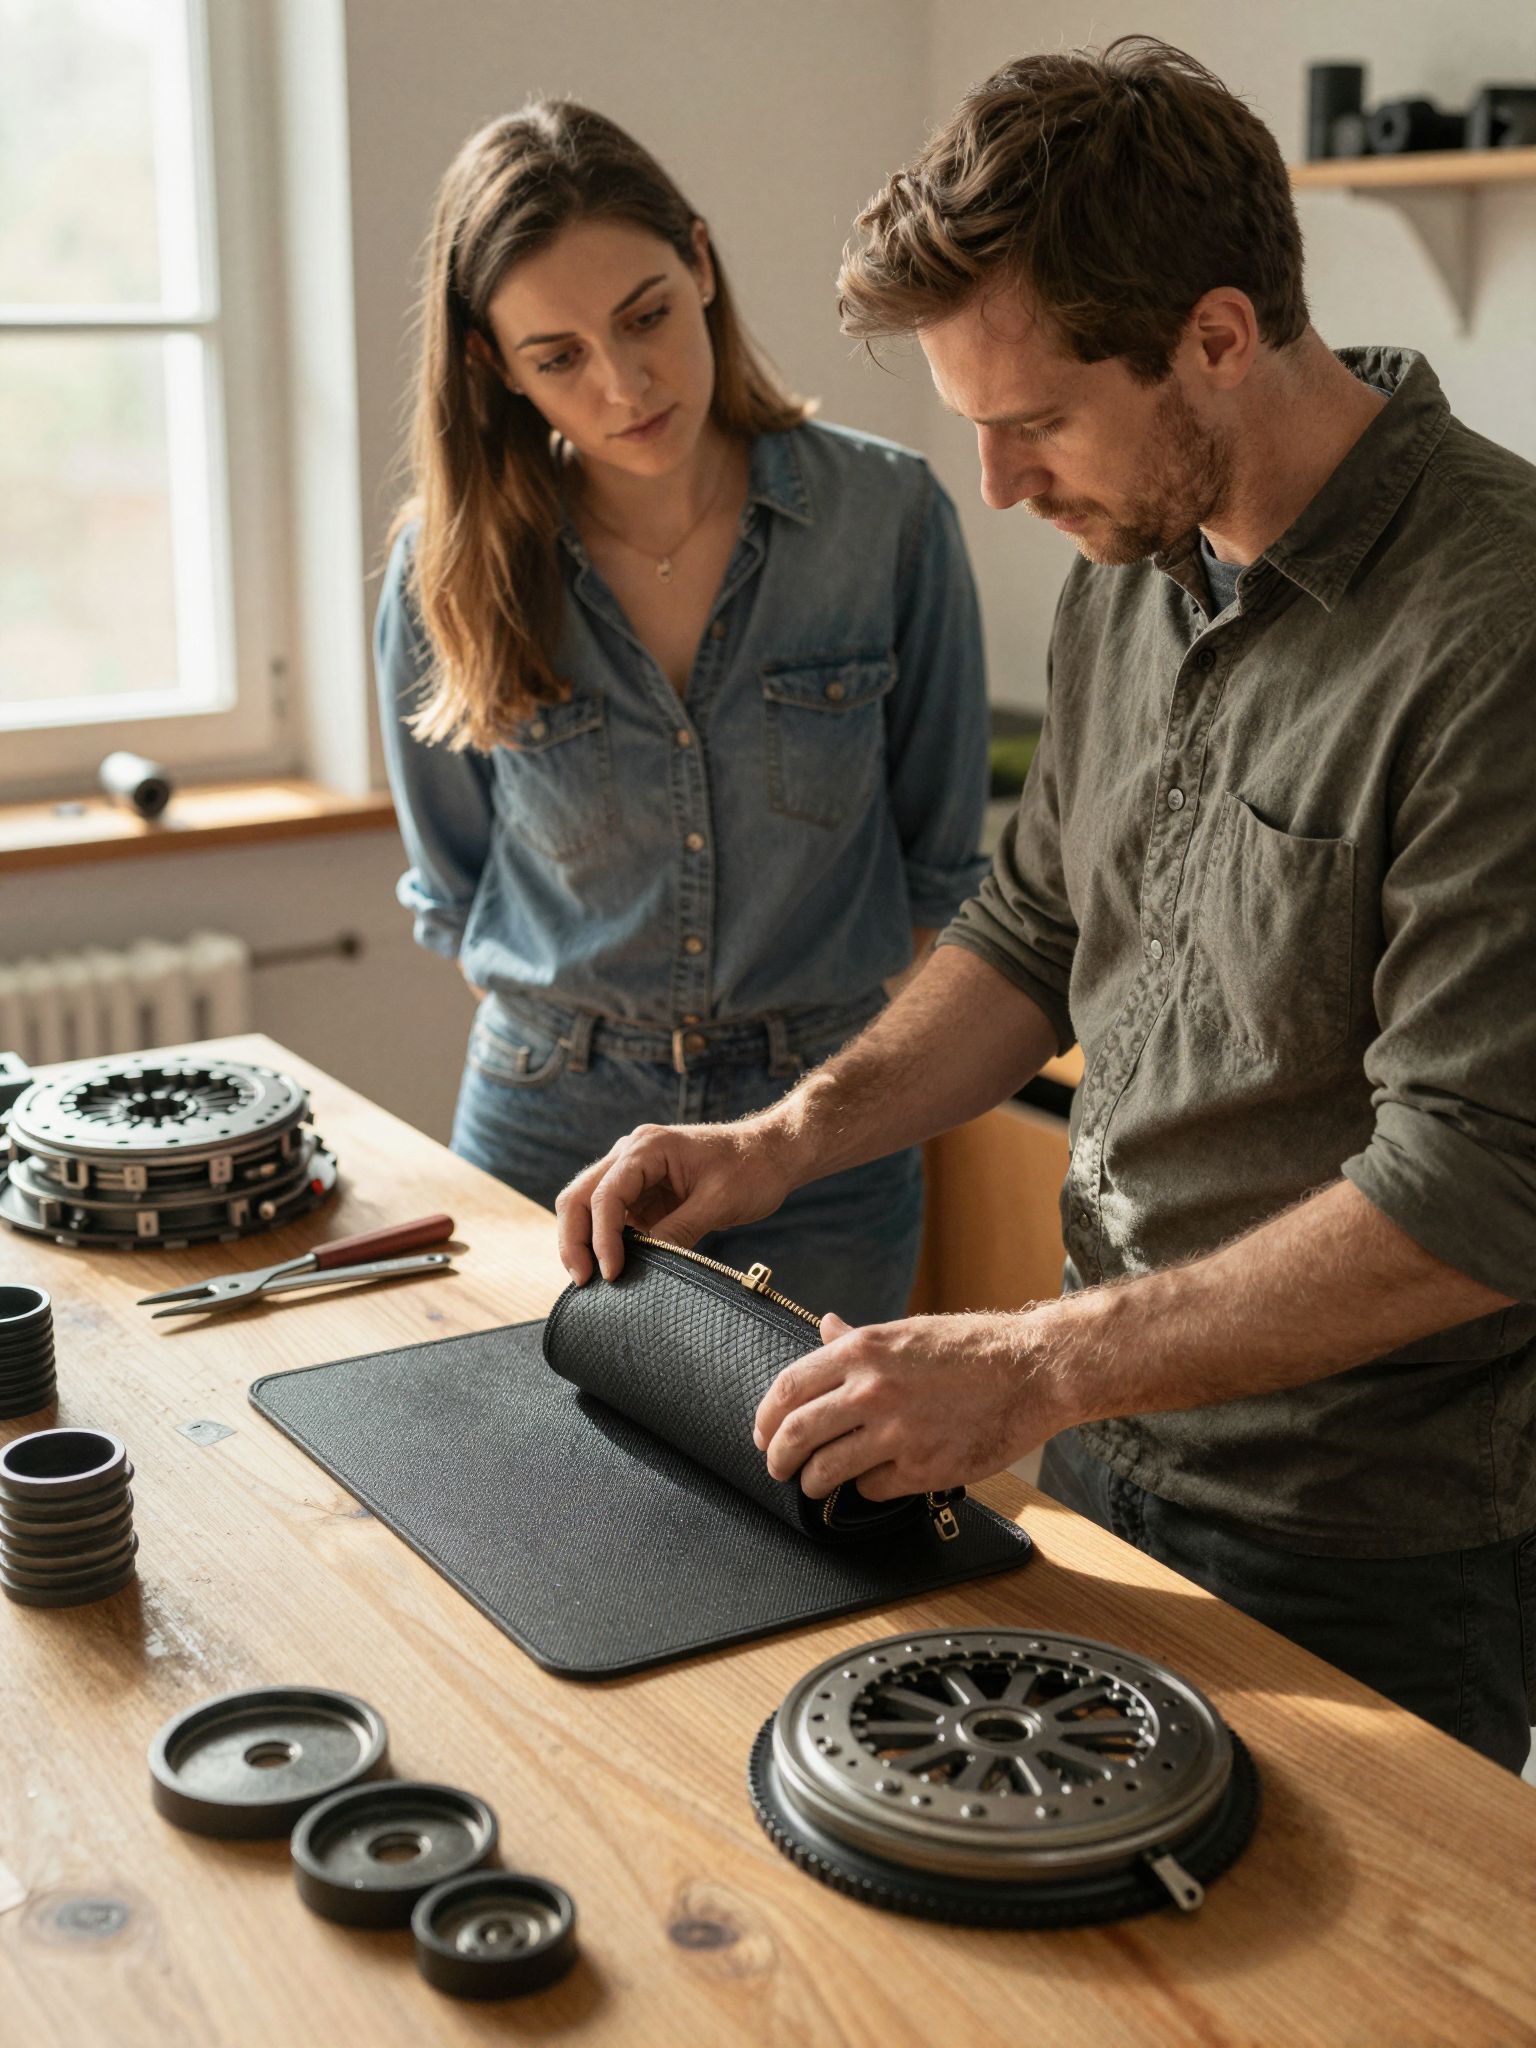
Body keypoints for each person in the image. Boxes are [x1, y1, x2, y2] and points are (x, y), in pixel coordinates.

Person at [556, 39, 1536, 1772]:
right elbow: (1031, 934)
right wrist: (781, 1141)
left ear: (1218, 337)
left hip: (1361, 1534)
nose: (999, 486)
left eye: (1034, 424)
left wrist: (1025, 1366)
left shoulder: (1495, 627)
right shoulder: (1136, 566)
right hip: (1102, 1448)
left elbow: (1479, 1186)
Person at [376, 101, 990, 1325]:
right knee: (525, 1450)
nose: (625, 382)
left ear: (701, 263)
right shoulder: (448, 565)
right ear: (495, 364)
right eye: (558, 356)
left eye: (646, 315)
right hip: (546, 1124)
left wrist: (804, 1085)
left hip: (820, 1138)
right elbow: (456, 883)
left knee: (814, 1447)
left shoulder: (889, 520)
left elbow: (937, 865)